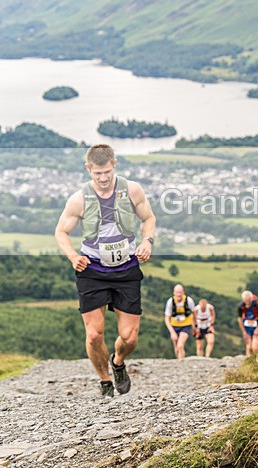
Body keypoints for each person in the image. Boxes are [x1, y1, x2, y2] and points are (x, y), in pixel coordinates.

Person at [54, 144, 156, 397]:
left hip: (127, 267)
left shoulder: (132, 190)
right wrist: (72, 256)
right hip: (92, 268)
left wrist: (147, 241)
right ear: (88, 169)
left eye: (107, 172)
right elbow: (61, 231)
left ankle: (118, 362)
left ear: (115, 165)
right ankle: (105, 382)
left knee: (129, 338)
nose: (102, 178)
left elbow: (148, 219)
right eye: (97, 173)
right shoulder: (78, 199)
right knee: (93, 334)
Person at [164, 284, 196, 359]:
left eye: (180, 292)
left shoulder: (189, 300)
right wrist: (172, 332)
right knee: (176, 346)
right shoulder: (170, 302)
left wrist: (195, 326)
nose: (179, 294)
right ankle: (179, 360)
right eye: (177, 292)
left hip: (186, 325)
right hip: (174, 325)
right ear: (174, 292)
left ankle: (180, 361)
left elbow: (194, 313)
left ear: (183, 292)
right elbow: (167, 318)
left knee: (180, 345)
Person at [238, 290, 258, 356]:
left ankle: (257, 359)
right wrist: (244, 332)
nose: (247, 302)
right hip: (246, 326)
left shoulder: (257, 305)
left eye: (248, 300)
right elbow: (239, 319)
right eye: (245, 300)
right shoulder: (241, 306)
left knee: (254, 347)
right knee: (248, 346)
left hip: (256, 325)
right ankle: (248, 360)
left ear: (251, 298)